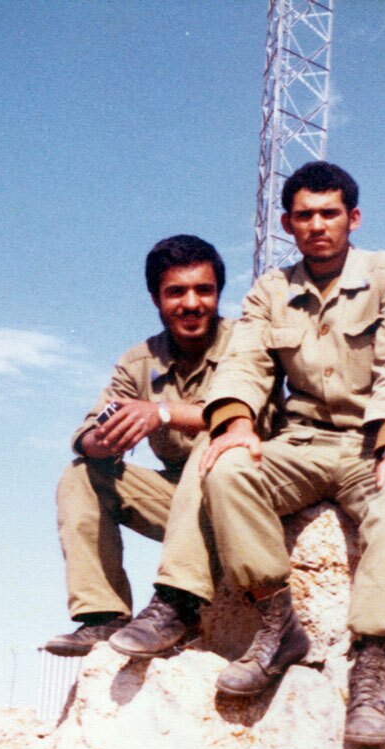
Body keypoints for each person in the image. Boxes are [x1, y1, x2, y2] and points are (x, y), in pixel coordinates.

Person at [111, 162, 385, 746]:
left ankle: (370, 669)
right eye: (304, 215)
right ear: (287, 224)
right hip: (300, 443)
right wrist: (236, 423)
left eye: (329, 213)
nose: (317, 225)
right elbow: (246, 365)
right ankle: (272, 621)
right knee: (221, 461)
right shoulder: (270, 290)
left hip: (368, 446)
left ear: (353, 218)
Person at [44, 234, 234, 657]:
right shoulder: (139, 362)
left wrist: (162, 413)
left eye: (203, 290)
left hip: (241, 497)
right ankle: (103, 616)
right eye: (176, 292)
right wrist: (106, 438)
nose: (191, 304)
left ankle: (177, 603)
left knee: (215, 441)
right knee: (81, 475)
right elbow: (87, 433)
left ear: (218, 293)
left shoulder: (245, 344)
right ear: (155, 299)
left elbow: (244, 415)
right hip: (182, 502)